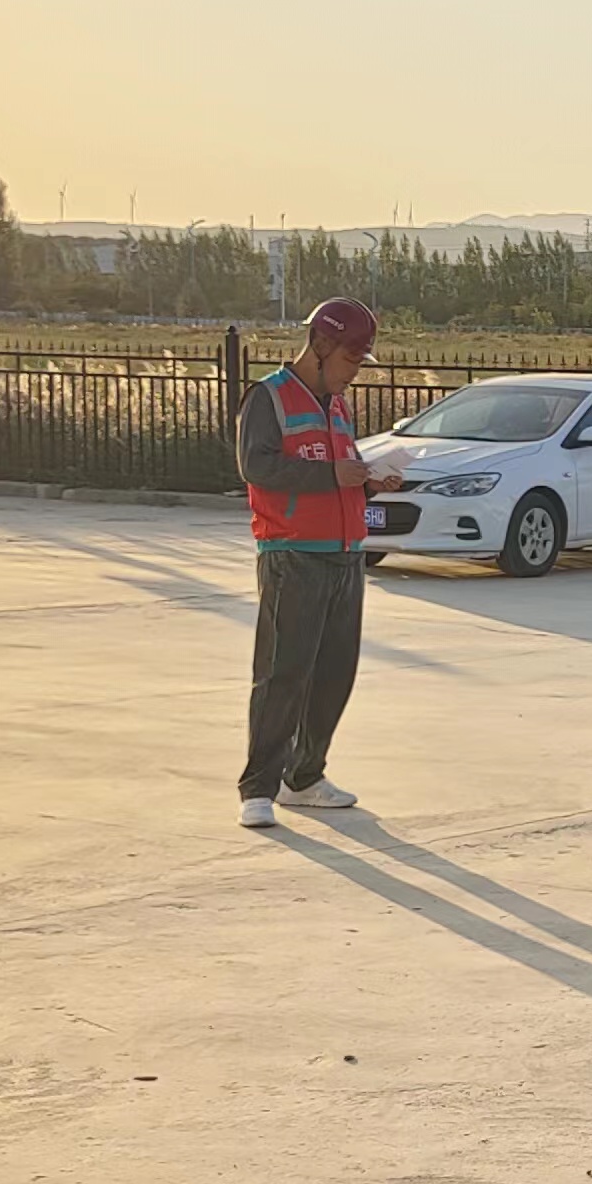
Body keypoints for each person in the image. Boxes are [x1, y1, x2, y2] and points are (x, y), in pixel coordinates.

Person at [235, 297, 402, 829]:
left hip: (345, 554)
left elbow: (340, 468)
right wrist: (333, 475)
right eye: (351, 360)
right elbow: (256, 467)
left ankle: (305, 777)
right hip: (293, 554)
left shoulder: (338, 405)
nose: (354, 373)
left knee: (334, 674)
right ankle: (258, 787)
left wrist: (369, 481)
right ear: (322, 345)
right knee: (283, 672)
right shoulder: (269, 398)